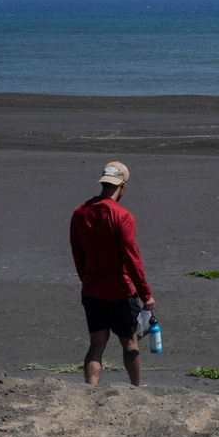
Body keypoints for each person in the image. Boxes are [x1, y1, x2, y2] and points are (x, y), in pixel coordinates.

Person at [70, 161, 156, 386]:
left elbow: (77, 254)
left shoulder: (80, 213)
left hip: (91, 290)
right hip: (119, 291)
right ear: (123, 184)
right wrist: (146, 294)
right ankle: (136, 388)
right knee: (130, 343)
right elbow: (132, 258)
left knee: (96, 345)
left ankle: (89, 391)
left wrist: (87, 279)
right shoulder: (122, 215)